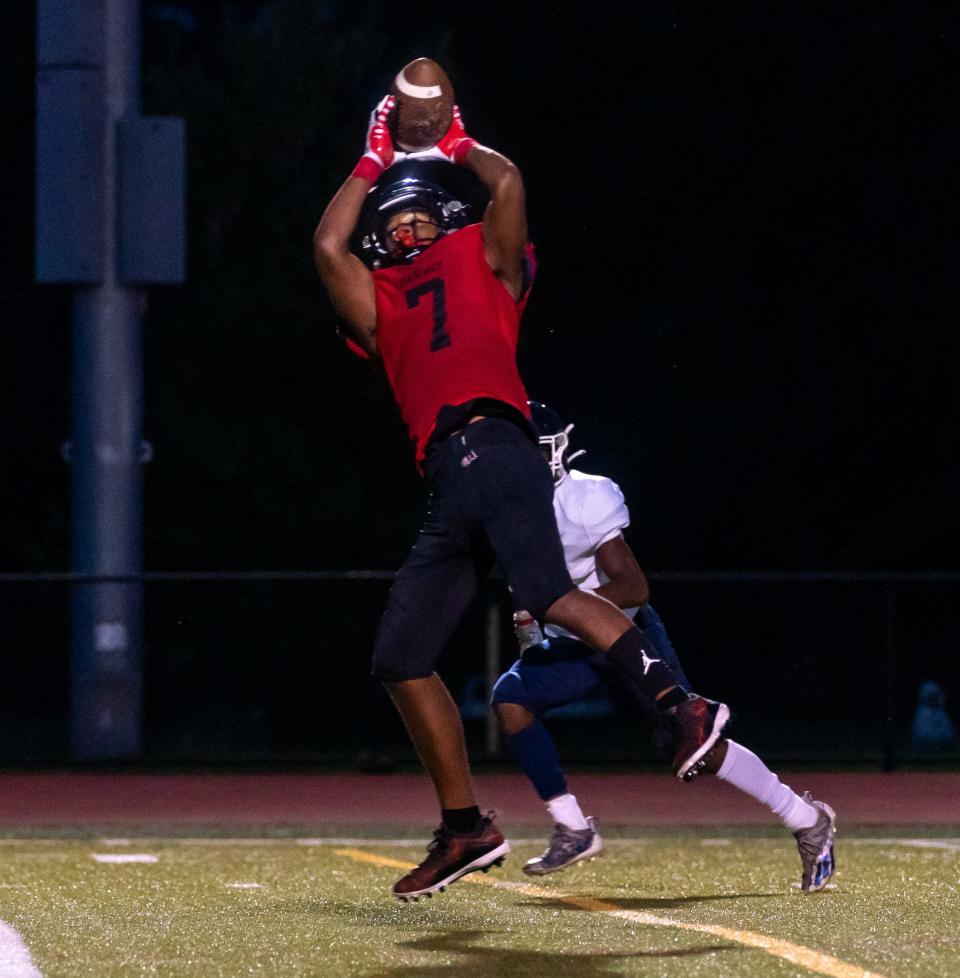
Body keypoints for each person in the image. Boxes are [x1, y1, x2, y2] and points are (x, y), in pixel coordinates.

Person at [313, 91, 729, 901]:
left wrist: (458, 140)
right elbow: (328, 243)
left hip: (497, 446)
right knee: (399, 656)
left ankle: (680, 705)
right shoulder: (383, 302)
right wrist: (373, 158)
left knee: (549, 591)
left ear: (441, 217)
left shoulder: (486, 261)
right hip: (449, 480)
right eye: (390, 223)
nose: (403, 228)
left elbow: (507, 190)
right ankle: (467, 827)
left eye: (415, 216)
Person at [492, 402, 837, 893]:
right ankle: (572, 826)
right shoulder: (505, 510)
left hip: (627, 636)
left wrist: (558, 608)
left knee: (697, 745)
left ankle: (806, 819)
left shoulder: (585, 499)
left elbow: (633, 587)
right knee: (511, 699)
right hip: (572, 644)